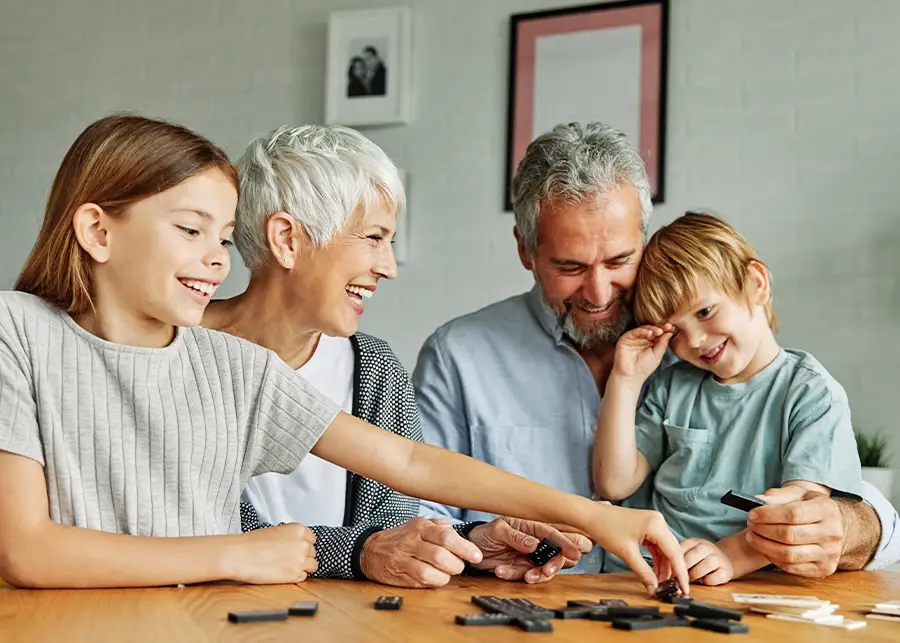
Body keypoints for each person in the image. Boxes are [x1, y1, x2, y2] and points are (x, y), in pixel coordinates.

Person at [0, 113, 688, 592]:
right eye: (190, 230)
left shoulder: (235, 369)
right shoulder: (19, 332)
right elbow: (27, 549)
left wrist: (597, 514)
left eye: (219, 238)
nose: (216, 259)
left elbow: (411, 462)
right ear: (96, 229)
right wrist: (239, 553)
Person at [414, 121, 900, 577]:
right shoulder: (459, 357)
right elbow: (410, 515)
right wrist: (476, 541)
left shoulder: (704, 352)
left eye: (620, 260)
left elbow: (873, 526)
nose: (600, 293)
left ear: (643, 240)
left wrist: (849, 524)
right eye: (570, 267)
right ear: (525, 250)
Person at [203, 124, 590, 587]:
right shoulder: (178, 352)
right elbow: (209, 525)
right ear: (287, 239)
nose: (388, 267)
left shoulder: (375, 367)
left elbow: (389, 533)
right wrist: (359, 552)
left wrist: (468, 543)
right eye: (373, 238)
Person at [593, 212, 864, 585]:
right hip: (642, 573)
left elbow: (800, 511)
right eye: (675, 334)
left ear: (756, 284)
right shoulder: (674, 385)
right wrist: (625, 380)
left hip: (740, 581)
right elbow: (615, 482)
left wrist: (731, 556)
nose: (696, 341)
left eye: (705, 312)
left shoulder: (810, 393)